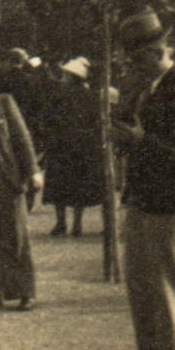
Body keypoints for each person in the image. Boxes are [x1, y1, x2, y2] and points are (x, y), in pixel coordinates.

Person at [111, 9, 175, 350]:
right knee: (141, 281)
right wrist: (125, 142)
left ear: (155, 53)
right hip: (142, 196)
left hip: (165, 200)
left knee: (165, 280)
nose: (134, 67)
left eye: (137, 59)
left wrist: (140, 141)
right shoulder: (149, 89)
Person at [0, 70, 42, 311]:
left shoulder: (1, 102)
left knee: (15, 231)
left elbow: (22, 137)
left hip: (5, 171)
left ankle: (25, 291)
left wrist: (32, 171)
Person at [42, 56, 102, 237]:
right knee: (79, 185)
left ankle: (61, 223)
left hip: (61, 145)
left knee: (59, 185)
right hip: (83, 146)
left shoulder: (58, 95)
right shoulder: (90, 96)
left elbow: (48, 119)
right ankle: (77, 223)